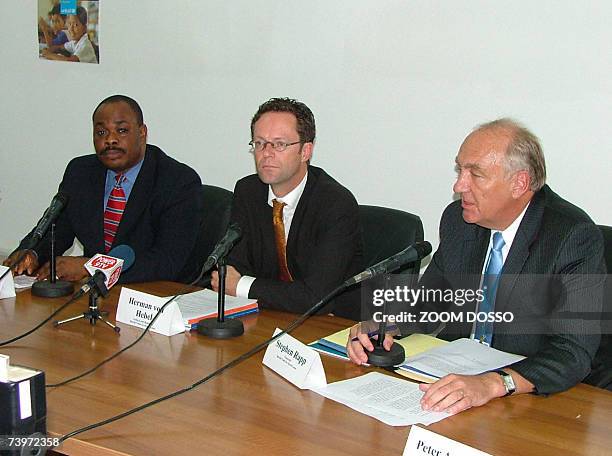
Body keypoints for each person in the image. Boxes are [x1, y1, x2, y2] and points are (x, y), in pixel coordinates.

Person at [348, 118, 605, 414]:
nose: (459, 186)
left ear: (519, 183)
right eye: (460, 170)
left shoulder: (572, 236)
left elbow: (572, 351)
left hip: (531, 399)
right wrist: (382, 326)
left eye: (476, 174)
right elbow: (430, 304)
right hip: (456, 385)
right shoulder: (459, 221)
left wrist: (494, 383)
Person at [4, 95, 203, 284]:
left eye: (122, 130)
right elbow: (56, 229)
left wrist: (93, 267)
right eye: (101, 133)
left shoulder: (177, 181)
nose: (110, 140)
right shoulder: (80, 172)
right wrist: (32, 253)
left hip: (152, 297)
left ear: (142, 133)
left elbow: (167, 261)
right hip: (91, 294)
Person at [212, 98, 363, 317]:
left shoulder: (336, 204)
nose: (267, 153)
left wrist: (243, 287)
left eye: (280, 144)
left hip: (329, 326)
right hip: (268, 316)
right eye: (260, 143)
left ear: (305, 151)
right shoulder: (248, 191)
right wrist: (240, 283)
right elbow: (235, 268)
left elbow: (316, 296)